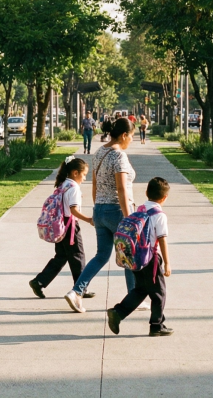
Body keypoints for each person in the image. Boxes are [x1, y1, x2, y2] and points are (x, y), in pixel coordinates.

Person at [64, 117, 138, 313]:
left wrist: (97, 207)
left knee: (101, 256)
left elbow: (95, 184)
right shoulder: (119, 156)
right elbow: (121, 189)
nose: (132, 140)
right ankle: (133, 298)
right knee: (129, 256)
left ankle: (76, 292)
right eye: (132, 136)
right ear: (124, 135)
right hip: (117, 211)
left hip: (100, 210)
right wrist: (129, 218)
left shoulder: (99, 152)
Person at [106, 177, 173, 337]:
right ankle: (156, 326)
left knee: (141, 289)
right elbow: (162, 239)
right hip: (151, 258)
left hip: (136, 256)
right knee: (159, 293)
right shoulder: (159, 215)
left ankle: (118, 312)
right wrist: (167, 263)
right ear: (164, 197)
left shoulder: (140, 209)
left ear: (146, 192)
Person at [30, 157, 96, 298]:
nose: (85, 178)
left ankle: (39, 281)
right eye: (84, 174)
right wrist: (89, 220)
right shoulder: (74, 188)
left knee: (61, 256)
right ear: (75, 173)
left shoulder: (64, 184)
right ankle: (80, 288)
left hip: (60, 225)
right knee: (78, 257)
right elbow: (73, 210)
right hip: (70, 226)